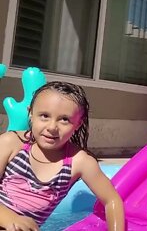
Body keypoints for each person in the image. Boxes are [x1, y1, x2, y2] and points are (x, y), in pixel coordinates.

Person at [0, 81, 124, 231]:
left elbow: (112, 200)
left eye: (64, 119)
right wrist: (8, 218)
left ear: (78, 124)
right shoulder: (10, 143)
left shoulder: (79, 162)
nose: (52, 127)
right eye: (44, 116)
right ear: (31, 114)